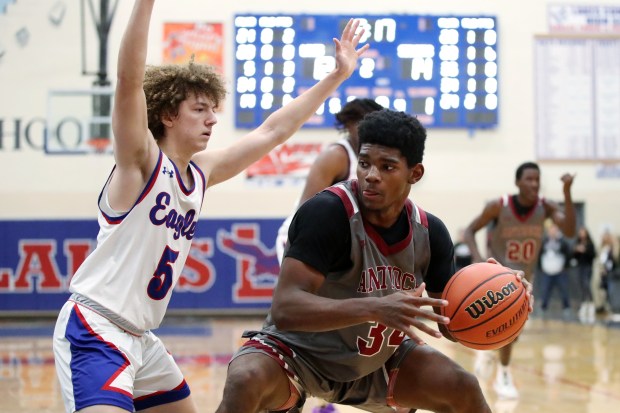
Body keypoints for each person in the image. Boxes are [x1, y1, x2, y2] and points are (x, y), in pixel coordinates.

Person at [51, 0, 370, 411]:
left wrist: (337, 76)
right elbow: (130, 79)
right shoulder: (140, 162)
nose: (212, 120)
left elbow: (275, 130)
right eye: (199, 110)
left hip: (142, 340)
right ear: (167, 114)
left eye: (212, 110)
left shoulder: (201, 173)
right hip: (95, 328)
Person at [215, 109, 533, 413]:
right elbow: (285, 309)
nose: (371, 176)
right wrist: (375, 308)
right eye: (364, 163)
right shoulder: (328, 213)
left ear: (415, 173)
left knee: (462, 386)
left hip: (377, 361)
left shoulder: (431, 232)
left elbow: (451, 324)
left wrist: (505, 301)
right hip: (299, 353)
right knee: (245, 378)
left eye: (387, 167)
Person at [464, 161, 576, 399]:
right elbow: (470, 230)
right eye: (529, 179)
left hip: (525, 279)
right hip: (497, 279)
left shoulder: (544, 207)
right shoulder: (499, 205)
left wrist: (567, 193)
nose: (534, 183)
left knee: (511, 332)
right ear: (517, 182)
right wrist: (479, 260)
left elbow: (568, 230)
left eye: (537, 179)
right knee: (509, 331)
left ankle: (488, 352)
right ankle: (504, 375)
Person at [276, 98, 384, 264]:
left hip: (338, 239)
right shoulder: (336, 156)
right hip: (303, 237)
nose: (368, 131)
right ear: (348, 125)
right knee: (303, 289)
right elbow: (306, 211)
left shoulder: (373, 158)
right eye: (362, 124)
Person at [538, 223, 572, 320]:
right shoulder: (544, 241)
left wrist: (565, 266)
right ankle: (543, 307)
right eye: (551, 230)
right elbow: (539, 255)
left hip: (559, 272)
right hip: (547, 272)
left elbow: (568, 254)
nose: (552, 232)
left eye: (554, 230)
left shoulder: (562, 242)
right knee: (545, 290)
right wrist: (541, 267)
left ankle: (566, 307)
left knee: (564, 290)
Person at [572, 226, 596, 322]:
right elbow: (574, 256)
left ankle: (591, 303)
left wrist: (585, 250)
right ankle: (583, 304)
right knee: (581, 284)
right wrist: (577, 251)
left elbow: (593, 255)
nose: (581, 234)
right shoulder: (578, 243)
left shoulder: (590, 244)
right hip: (580, 266)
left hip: (587, 266)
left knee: (586, 284)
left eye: (583, 232)